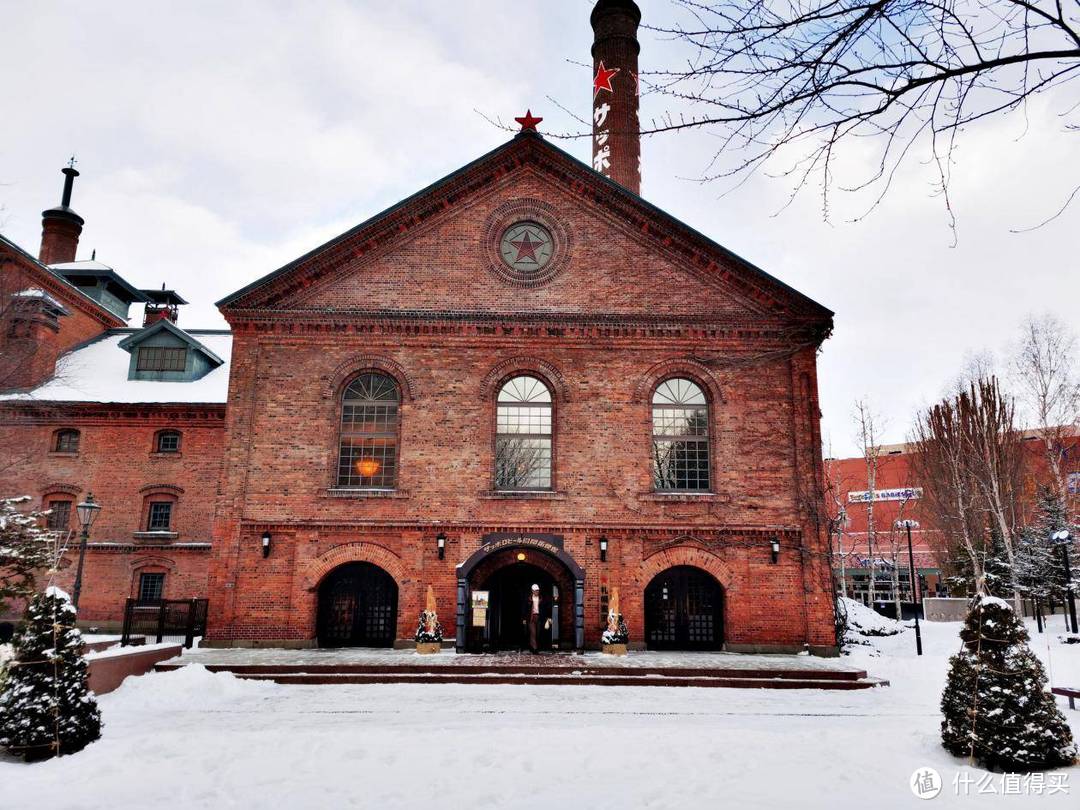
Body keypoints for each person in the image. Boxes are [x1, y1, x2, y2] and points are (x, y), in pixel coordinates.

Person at [526, 583, 541, 654]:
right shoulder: (529, 598)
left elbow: (546, 607)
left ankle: (531, 646)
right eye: (535, 590)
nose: (537, 592)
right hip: (531, 617)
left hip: (539, 617)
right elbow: (525, 608)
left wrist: (548, 618)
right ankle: (535, 649)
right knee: (533, 633)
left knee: (538, 633)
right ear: (532, 591)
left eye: (538, 590)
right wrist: (524, 618)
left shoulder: (541, 598)